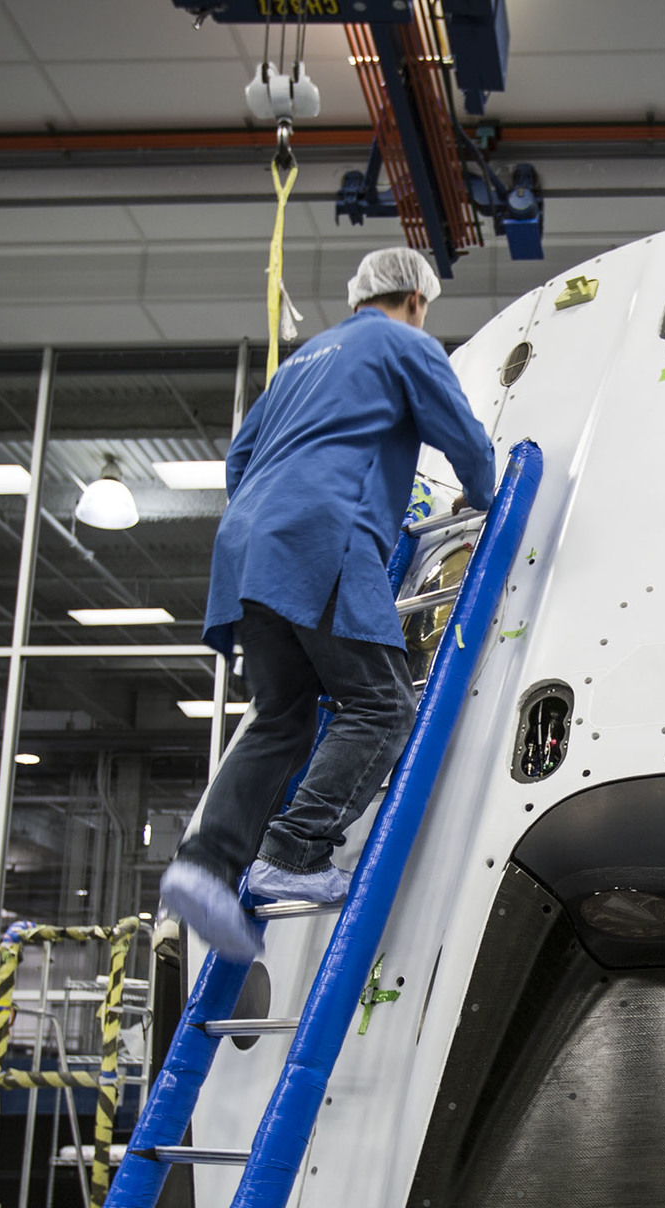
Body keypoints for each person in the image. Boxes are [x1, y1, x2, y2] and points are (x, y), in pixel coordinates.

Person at [161, 244, 500, 964]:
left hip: (249, 548)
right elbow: (463, 434)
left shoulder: (300, 363)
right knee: (381, 706)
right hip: (325, 536)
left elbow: (239, 460)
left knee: (282, 717)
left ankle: (203, 864)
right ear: (415, 295)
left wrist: (281, 510)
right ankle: (296, 849)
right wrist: (486, 494)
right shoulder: (401, 342)